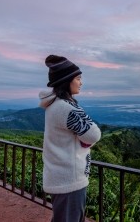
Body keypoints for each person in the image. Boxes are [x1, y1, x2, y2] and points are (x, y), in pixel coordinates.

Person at [39, 55, 101, 222]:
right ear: (67, 80)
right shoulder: (66, 108)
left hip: (61, 177)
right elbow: (94, 134)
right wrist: (87, 141)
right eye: (78, 78)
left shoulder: (54, 105)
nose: (81, 83)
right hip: (69, 180)